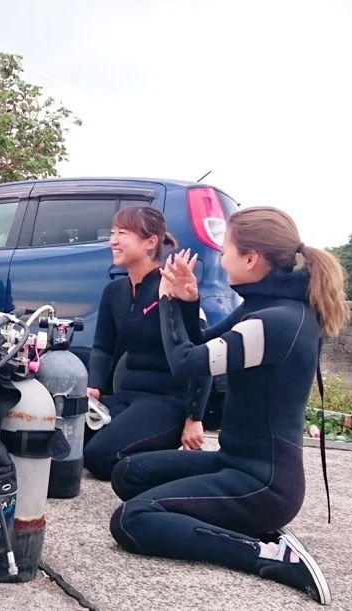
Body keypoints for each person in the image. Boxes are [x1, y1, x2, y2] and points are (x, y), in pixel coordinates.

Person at [108, 206, 348, 605]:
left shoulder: (279, 321)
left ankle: (271, 555)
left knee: (133, 519)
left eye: (225, 251)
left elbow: (186, 364)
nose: (220, 260)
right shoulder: (260, 308)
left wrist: (166, 301)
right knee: (128, 473)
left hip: (265, 482)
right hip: (235, 460)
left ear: (251, 258)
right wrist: (188, 301)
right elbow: (201, 345)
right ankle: (242, 523)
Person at [82, 206, 212, 481]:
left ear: (151, 242)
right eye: (113, 232)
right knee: (70, 445)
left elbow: (203, 355)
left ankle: (189, 465)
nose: (113, 240)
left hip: (167, 402)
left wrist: (195, 417)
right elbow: (104, 346)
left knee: (100, 458)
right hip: (127, 397)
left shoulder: (173, 285)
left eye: (123, 233)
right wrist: (94, 386)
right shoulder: (114, 292)